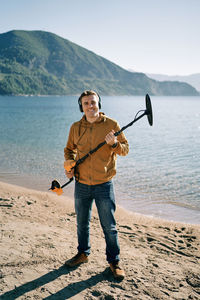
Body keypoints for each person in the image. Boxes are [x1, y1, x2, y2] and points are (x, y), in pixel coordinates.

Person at [64, 90, 129, 279]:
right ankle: (83, 253)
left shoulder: (111, 125)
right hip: (81, 184)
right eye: (86, 103)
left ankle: (114, 262)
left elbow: (125, 150)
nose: (90, 106)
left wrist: (115, 143)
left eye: (93, 102)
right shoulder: (76, 127)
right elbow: (69, 150)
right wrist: (69, 165)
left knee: (109, 226)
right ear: (81, 107)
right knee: (82, 223)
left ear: (99, 104)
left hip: (104, 185)